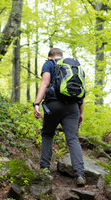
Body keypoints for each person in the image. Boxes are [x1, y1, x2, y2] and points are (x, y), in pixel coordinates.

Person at [33, 48, 86, 187]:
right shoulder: (74, 67)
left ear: (49, 57)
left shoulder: (49, 64)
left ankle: (44, 169)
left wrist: (37, 103)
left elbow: (45, 84)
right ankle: (80, 174)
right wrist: (81, 113)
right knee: (73, 139)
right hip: (73, 107)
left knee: (48, 134)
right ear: (61, 56)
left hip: (53, 105)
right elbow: (82, 92)